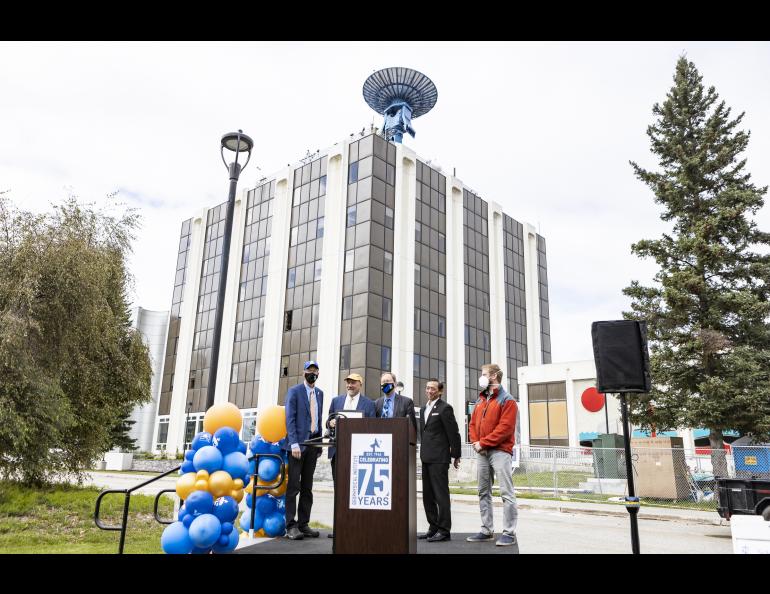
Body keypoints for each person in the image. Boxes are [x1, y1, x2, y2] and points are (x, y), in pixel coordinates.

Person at [466, 363, 519, 546]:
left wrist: (484, 442)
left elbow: (505, 429)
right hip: (481, 451)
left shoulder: (508, 400)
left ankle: (509, 532)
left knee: (506, 492)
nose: (481, 377)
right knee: (483, 491)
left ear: (494, 376)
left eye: (484, 374)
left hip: (500, 452)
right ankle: (486, 530)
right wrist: (475, 442)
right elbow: (472, 424)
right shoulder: (481, 401)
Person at [325, 372, 376, 538]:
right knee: (340, 491)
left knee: (356, 492)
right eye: (348, 382)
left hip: (359, 456)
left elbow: (373, 427)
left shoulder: (369, 404)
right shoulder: (336, 401)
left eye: (353, 383)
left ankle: (357, 526)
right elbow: (328, 422)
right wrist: (330, 422)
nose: (349, 385)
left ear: (360, 384)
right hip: (338, 453)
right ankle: (339, 527)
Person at [283, 360, 324, 540]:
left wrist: (320, 442)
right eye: (309, 370)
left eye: (315, 370)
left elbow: (318, 418)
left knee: (308, 487)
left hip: (313, 445)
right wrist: (293, 443)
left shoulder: (320, 394)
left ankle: (303, 524)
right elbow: (289, 419)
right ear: (303, 372)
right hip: (297, 447)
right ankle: (290, 526)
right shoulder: (294, 392)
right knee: (293, 487)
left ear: (318, 374)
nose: (312, 373)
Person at [418, 379, 461, 542]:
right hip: (426, 457)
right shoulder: (423, 409)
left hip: (439, 459)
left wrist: (456, 455)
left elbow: (454, 432)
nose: (429, 391)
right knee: (428, 495)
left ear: (440, 391)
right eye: (427, 388)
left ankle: (444, 530)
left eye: (433, 389)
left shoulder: (445, 408)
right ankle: (433, 527)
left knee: (440, 495)